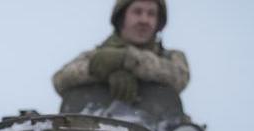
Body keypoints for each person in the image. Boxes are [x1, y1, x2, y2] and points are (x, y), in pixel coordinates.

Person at [52, 0, 189, 104]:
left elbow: (179, 77)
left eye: (151, 14)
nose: (144, 20)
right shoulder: (97, 55)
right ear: (122, 17)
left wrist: (128, 59)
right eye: (137, 12)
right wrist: (103, 71)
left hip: (156, 130)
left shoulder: (171, 57)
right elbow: (60, 79)